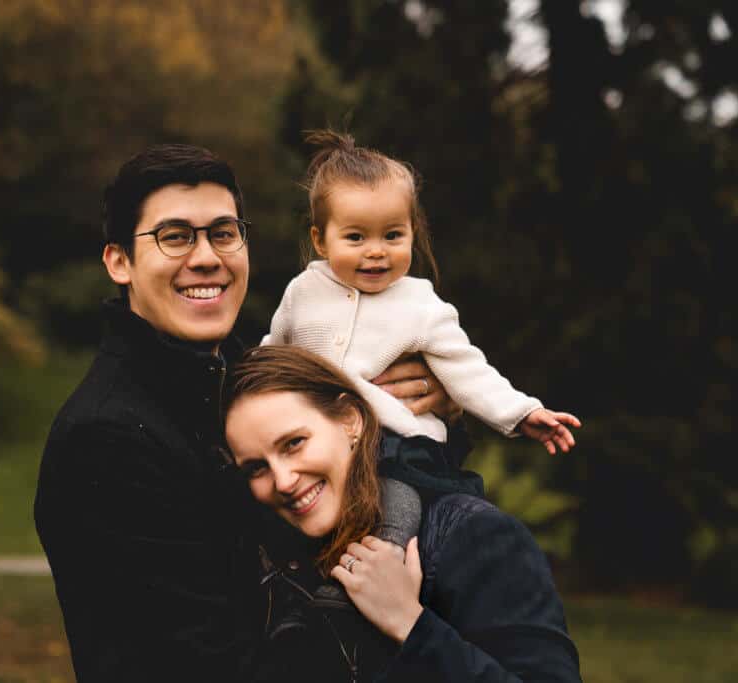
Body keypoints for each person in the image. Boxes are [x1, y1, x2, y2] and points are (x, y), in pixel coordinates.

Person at [33, 144, 459, 683]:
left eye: (224, 232)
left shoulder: (251, 377)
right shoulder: (106, 436)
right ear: (120, 261)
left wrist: (431, 406)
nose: (208, 256)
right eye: (175, 236)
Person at [224, 345, 582, 682]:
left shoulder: (471, 536)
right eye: (257, 468)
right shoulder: (277, 566)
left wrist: (410, 624)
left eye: (294, 444)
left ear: (351, 420)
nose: (283, 481)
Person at [262, 131, 580, 465]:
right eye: (355, 237)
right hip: (317, 444)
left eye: (393, 235)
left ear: (412, 232)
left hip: (400, 448)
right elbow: (272, 357)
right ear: (321, 240)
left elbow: (467, 368)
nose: (376, 251)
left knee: (401, 508)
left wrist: (523, 413)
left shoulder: (422, 305)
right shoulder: (302, 291)